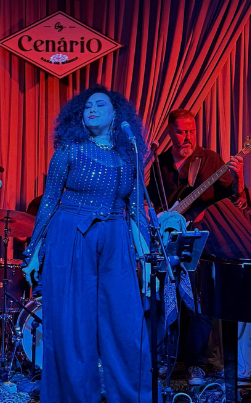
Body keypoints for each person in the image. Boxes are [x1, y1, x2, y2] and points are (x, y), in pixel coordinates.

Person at [22, 86, 153, 403]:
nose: (91, 109)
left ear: (116, 113)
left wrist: (147, 256)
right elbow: (49, 202)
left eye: (100, 104)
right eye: (87, 106)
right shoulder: (69, 150)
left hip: (116, 239)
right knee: (73, 327)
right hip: (71, 236)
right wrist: (34, 251)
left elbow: (137, 208)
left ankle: (133, 397)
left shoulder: (128, 156)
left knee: (126, 324)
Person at [146, 109, 246, 385]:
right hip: (167, 244)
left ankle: (196, 364)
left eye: (191, 131)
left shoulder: (210, 159)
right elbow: (151, 203)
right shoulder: (160, 163)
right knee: (165, 302)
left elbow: (234, 201)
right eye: (180, 131)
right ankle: (166, 360)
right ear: (170, 132)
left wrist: (238, 177)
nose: (187, 137)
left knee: (199, 304)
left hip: (201, 243)